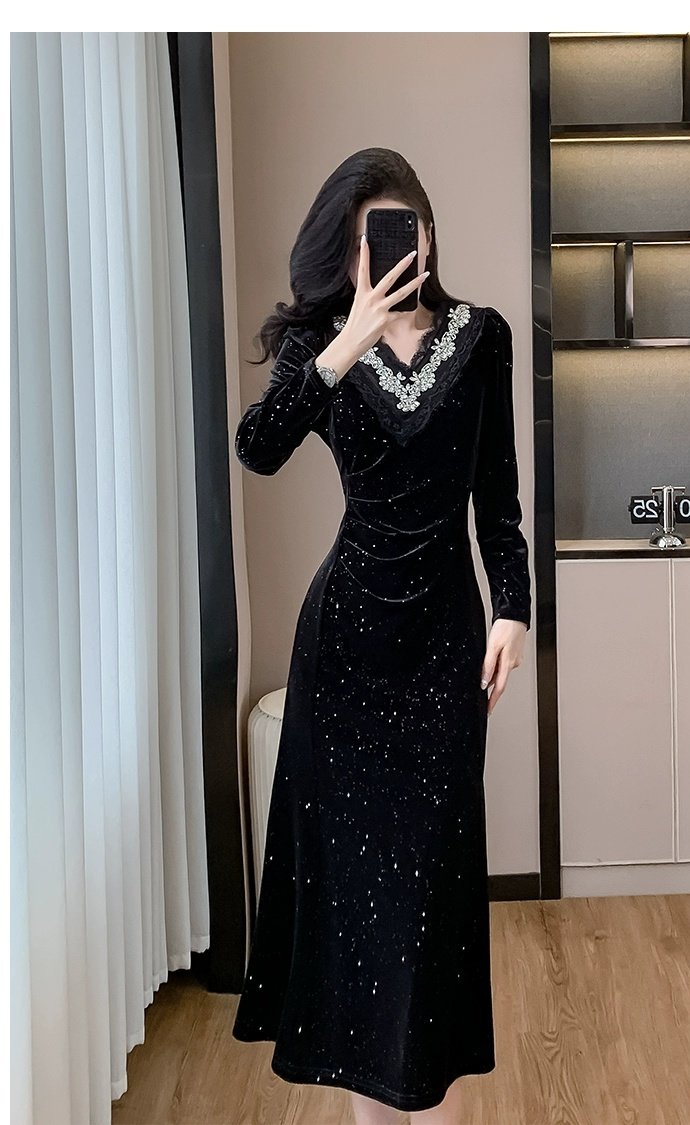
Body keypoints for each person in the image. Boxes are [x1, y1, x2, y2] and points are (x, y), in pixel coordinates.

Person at [232, 147, 532, 1124]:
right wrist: (344, 343)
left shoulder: (482, 338)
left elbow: (498, 500)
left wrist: (514, 607)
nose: (398, 248)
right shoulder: (321, 346)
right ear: (348, 251)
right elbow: (257, 448)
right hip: (345, 655)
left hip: (444, 649)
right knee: (360, 918)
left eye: (410, 227)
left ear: (429, 235)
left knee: (429, 907)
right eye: (375, 237)